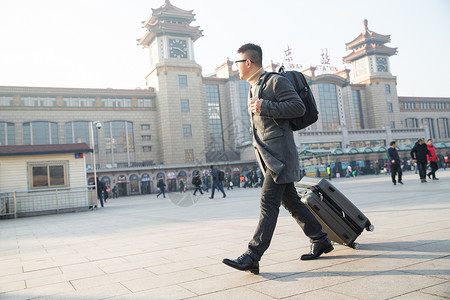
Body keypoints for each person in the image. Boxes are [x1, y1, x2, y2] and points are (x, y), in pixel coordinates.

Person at [222, 43, 332, 275]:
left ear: (249, 63)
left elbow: (298, 107)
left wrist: (266, 106)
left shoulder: (274, 81)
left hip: (280, 157)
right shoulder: (253, 87)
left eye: (238, 63)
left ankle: (253, 255)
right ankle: (320, 239)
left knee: (268, 204)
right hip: (269, 157)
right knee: (290, 202)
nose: (236, 68)